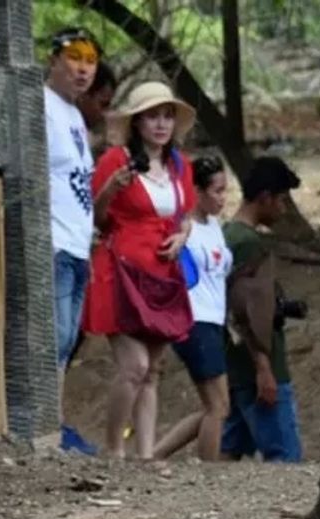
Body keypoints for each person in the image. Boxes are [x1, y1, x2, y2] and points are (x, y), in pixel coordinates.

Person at [83, 81, 198, 461]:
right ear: (137, 123)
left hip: (162, 274)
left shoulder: (179, 165)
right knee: (135, 366)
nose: (161, 124)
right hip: (120, 271)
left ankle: (145, 457)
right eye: (152, 116)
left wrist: (183, 236)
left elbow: (186, 216)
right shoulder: (115, 161)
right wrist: (111, 190)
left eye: (167, 116)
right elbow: (97, 218)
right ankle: (114, 448)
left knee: (154, 370)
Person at [219, 157, 306, 463]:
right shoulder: (247, 244)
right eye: (281, 200)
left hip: (233, 365)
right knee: (285, 458)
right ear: (265, 197)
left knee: (228, 451)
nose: (283, 209)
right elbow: (247, 312)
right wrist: (264, 368)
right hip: (258, 368)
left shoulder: (225, 235)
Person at [154, 156, 234, 461]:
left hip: (214, 319)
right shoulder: (184, 229)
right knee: (218, 406)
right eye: (217, 191)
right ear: (197, 191)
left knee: (213, 405)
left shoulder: (214, 225)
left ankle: (152, 455)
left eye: (225, 191)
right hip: (194, 319)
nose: (223, 199)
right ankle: (208, 471)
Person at [44, 26, 101, 455]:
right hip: (55, 241)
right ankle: (48, 426)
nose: (83, 68)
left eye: (90, 60)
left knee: (69, 340)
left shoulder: (76, 115)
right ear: (54, 60)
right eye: (75, 57)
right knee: (55, 336)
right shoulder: (41, 106)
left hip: (80, 242)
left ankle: (57, 421)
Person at [63, 61, 119, 372]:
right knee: (61, 335)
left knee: (73, 331)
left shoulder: (82, 136)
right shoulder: (59, 128)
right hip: (64, 244)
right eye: (102, 104)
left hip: (81, 242)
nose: (104, 113)